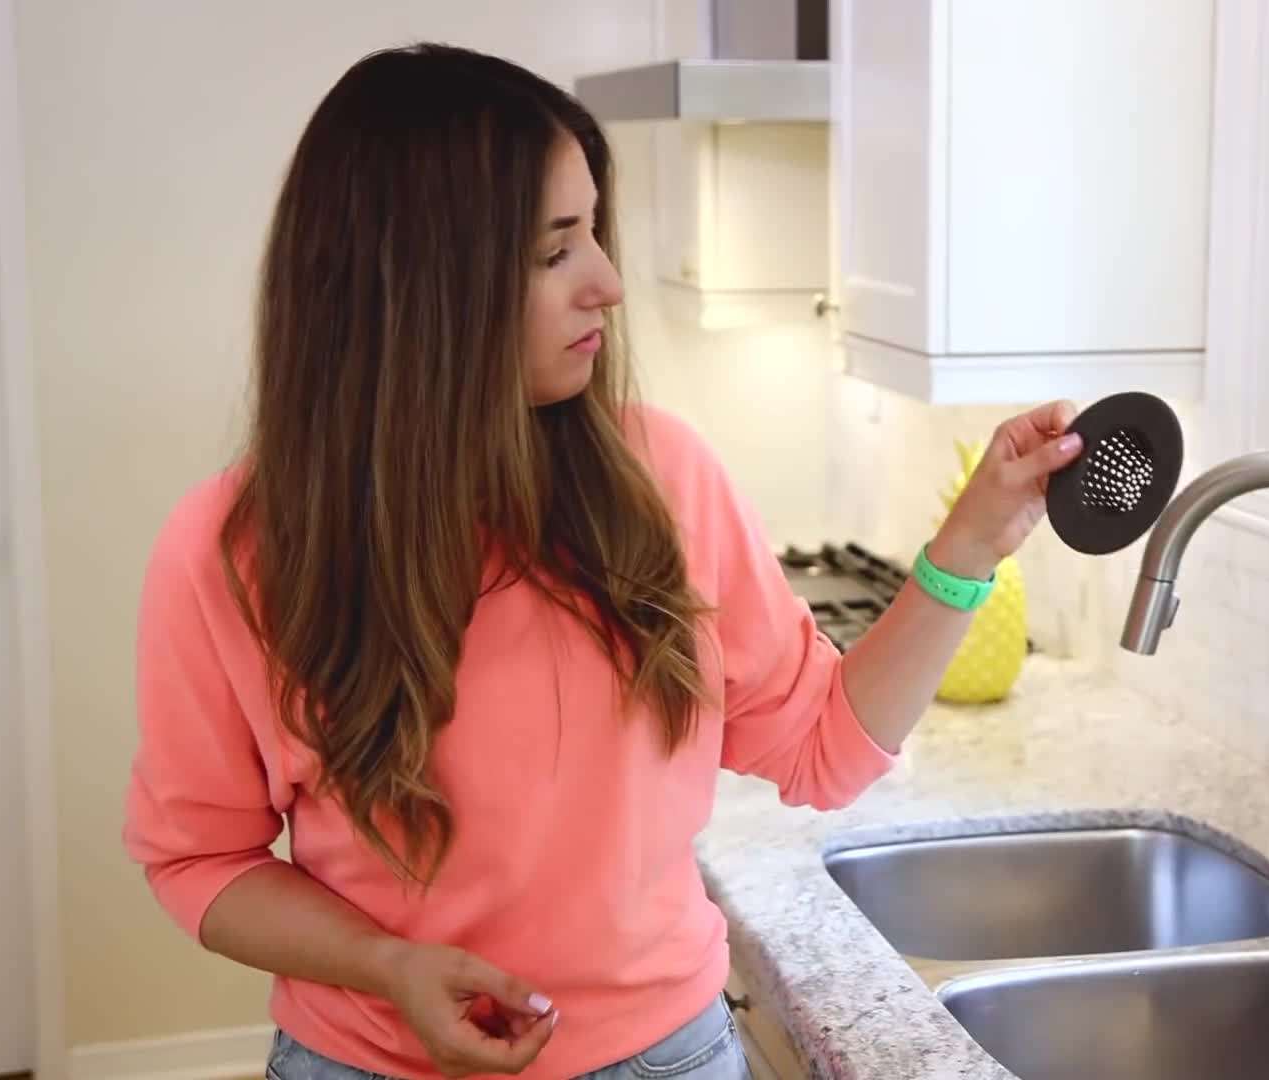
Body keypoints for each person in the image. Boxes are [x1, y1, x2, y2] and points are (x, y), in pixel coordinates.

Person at [122, 42, 1084, 1080]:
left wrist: (967, 549)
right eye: (555, 252)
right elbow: (200, 860)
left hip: (670, 1058)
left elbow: (822, 747)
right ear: (420, 289)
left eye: (596, 235)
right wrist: (389, 965)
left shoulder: (661, 477)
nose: (609, 286)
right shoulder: (234, 552)